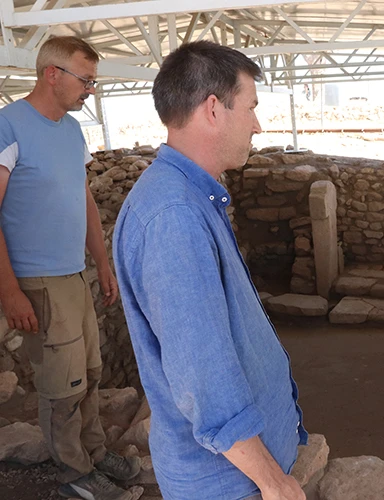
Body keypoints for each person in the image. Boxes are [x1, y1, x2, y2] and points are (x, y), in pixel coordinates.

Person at [113, 41, 307, 500]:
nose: (257, 125)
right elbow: (203, 376)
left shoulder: (190, 195)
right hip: (230, 484)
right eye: (252, 108)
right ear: (214, 109)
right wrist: (272, 481)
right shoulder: (173, 216)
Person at [0, 36, 141, 500]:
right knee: (63, 386)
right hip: (38, 280)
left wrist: (101, 263)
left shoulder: (71, 131)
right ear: (52, 74)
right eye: (86, 80)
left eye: (93, 82)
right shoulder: (9, 126)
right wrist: (10, 293)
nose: (91, 91)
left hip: (75, 273)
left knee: (91, 373)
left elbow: (82, 199)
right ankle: (74, 475)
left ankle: (96, 456)